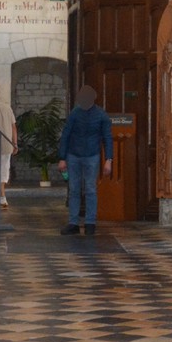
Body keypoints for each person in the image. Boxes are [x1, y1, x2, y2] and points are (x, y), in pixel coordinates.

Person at [56, 85, 113, 235]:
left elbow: (108, 138)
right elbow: (66, 135)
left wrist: (109, 159)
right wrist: (62, 158)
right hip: (75, 155)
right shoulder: (75, 113)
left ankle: (89, 223)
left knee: (89, 190)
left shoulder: (101, 115)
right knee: (76, 189)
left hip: (90, 156)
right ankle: (74, 223)